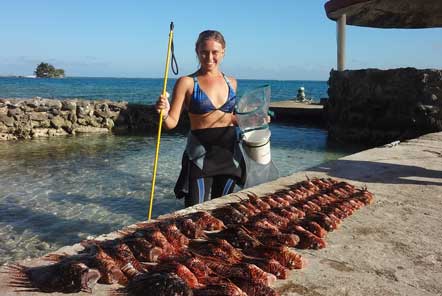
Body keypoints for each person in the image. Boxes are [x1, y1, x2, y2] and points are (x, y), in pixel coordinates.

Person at [155, 30, 242, 207]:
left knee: (223, 212)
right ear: (197, 50)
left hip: (229, 155)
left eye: (215, 52)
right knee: (195, 214)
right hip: (200, 156)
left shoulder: (232, 82)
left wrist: (255, 120)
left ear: (223, 52)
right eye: (204, 52)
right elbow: (171, 123)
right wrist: (163, 114)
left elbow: (231, 118)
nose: (209, 57)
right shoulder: (186, 82)